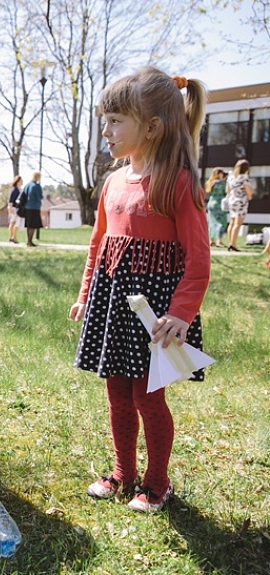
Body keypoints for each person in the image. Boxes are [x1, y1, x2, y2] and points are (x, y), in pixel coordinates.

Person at [68, 68, 211, 513]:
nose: (105, 132)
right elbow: (98, 244)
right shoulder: (111, 183)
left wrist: (182, 314)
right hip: (114, 307)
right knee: (117, 394)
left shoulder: (178, 181)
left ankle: (156, 482)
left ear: (151, 126)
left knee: (147, 398)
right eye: (103, 120)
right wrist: (86, 291)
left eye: (115, 121)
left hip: (157, 318)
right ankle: (122, 473)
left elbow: (199, 259)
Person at [225, 159, 254, 252]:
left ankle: (230, 242)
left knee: (232, 223)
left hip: (232, 201)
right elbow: (249, 191)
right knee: (238, 224)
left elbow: (227, 190)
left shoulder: (231, 177)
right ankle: (233, 244)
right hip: (241, 202)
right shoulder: (244, 177)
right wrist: (250, 196)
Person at [204, 168, 228, 247]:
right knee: (222, 222)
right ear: (218, 174)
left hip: (211, 203)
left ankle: (211, 240)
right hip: (219, 204)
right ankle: (219, 241)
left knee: (212, 222)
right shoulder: (221, 183)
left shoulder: (210, 182)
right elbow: (227, 191)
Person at [21, 171, 44, 247]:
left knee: (28, 225)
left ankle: (28, 240)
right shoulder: (37, 186)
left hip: (27, 207)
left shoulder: (27, 185)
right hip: (34, 207)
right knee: (33, 225)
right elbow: (39, 197)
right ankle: (30, 241)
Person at [7, 175, 23, 243]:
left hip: (14, 207)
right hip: (13, 207)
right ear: (17, 181)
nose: (22, 182)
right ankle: (14, 237)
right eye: (21, 181)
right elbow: (10, 200)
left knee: (13, 222)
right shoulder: (14, 190)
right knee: (16, 222)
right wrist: (10, 209)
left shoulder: (19, 189)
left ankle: (11, 237)